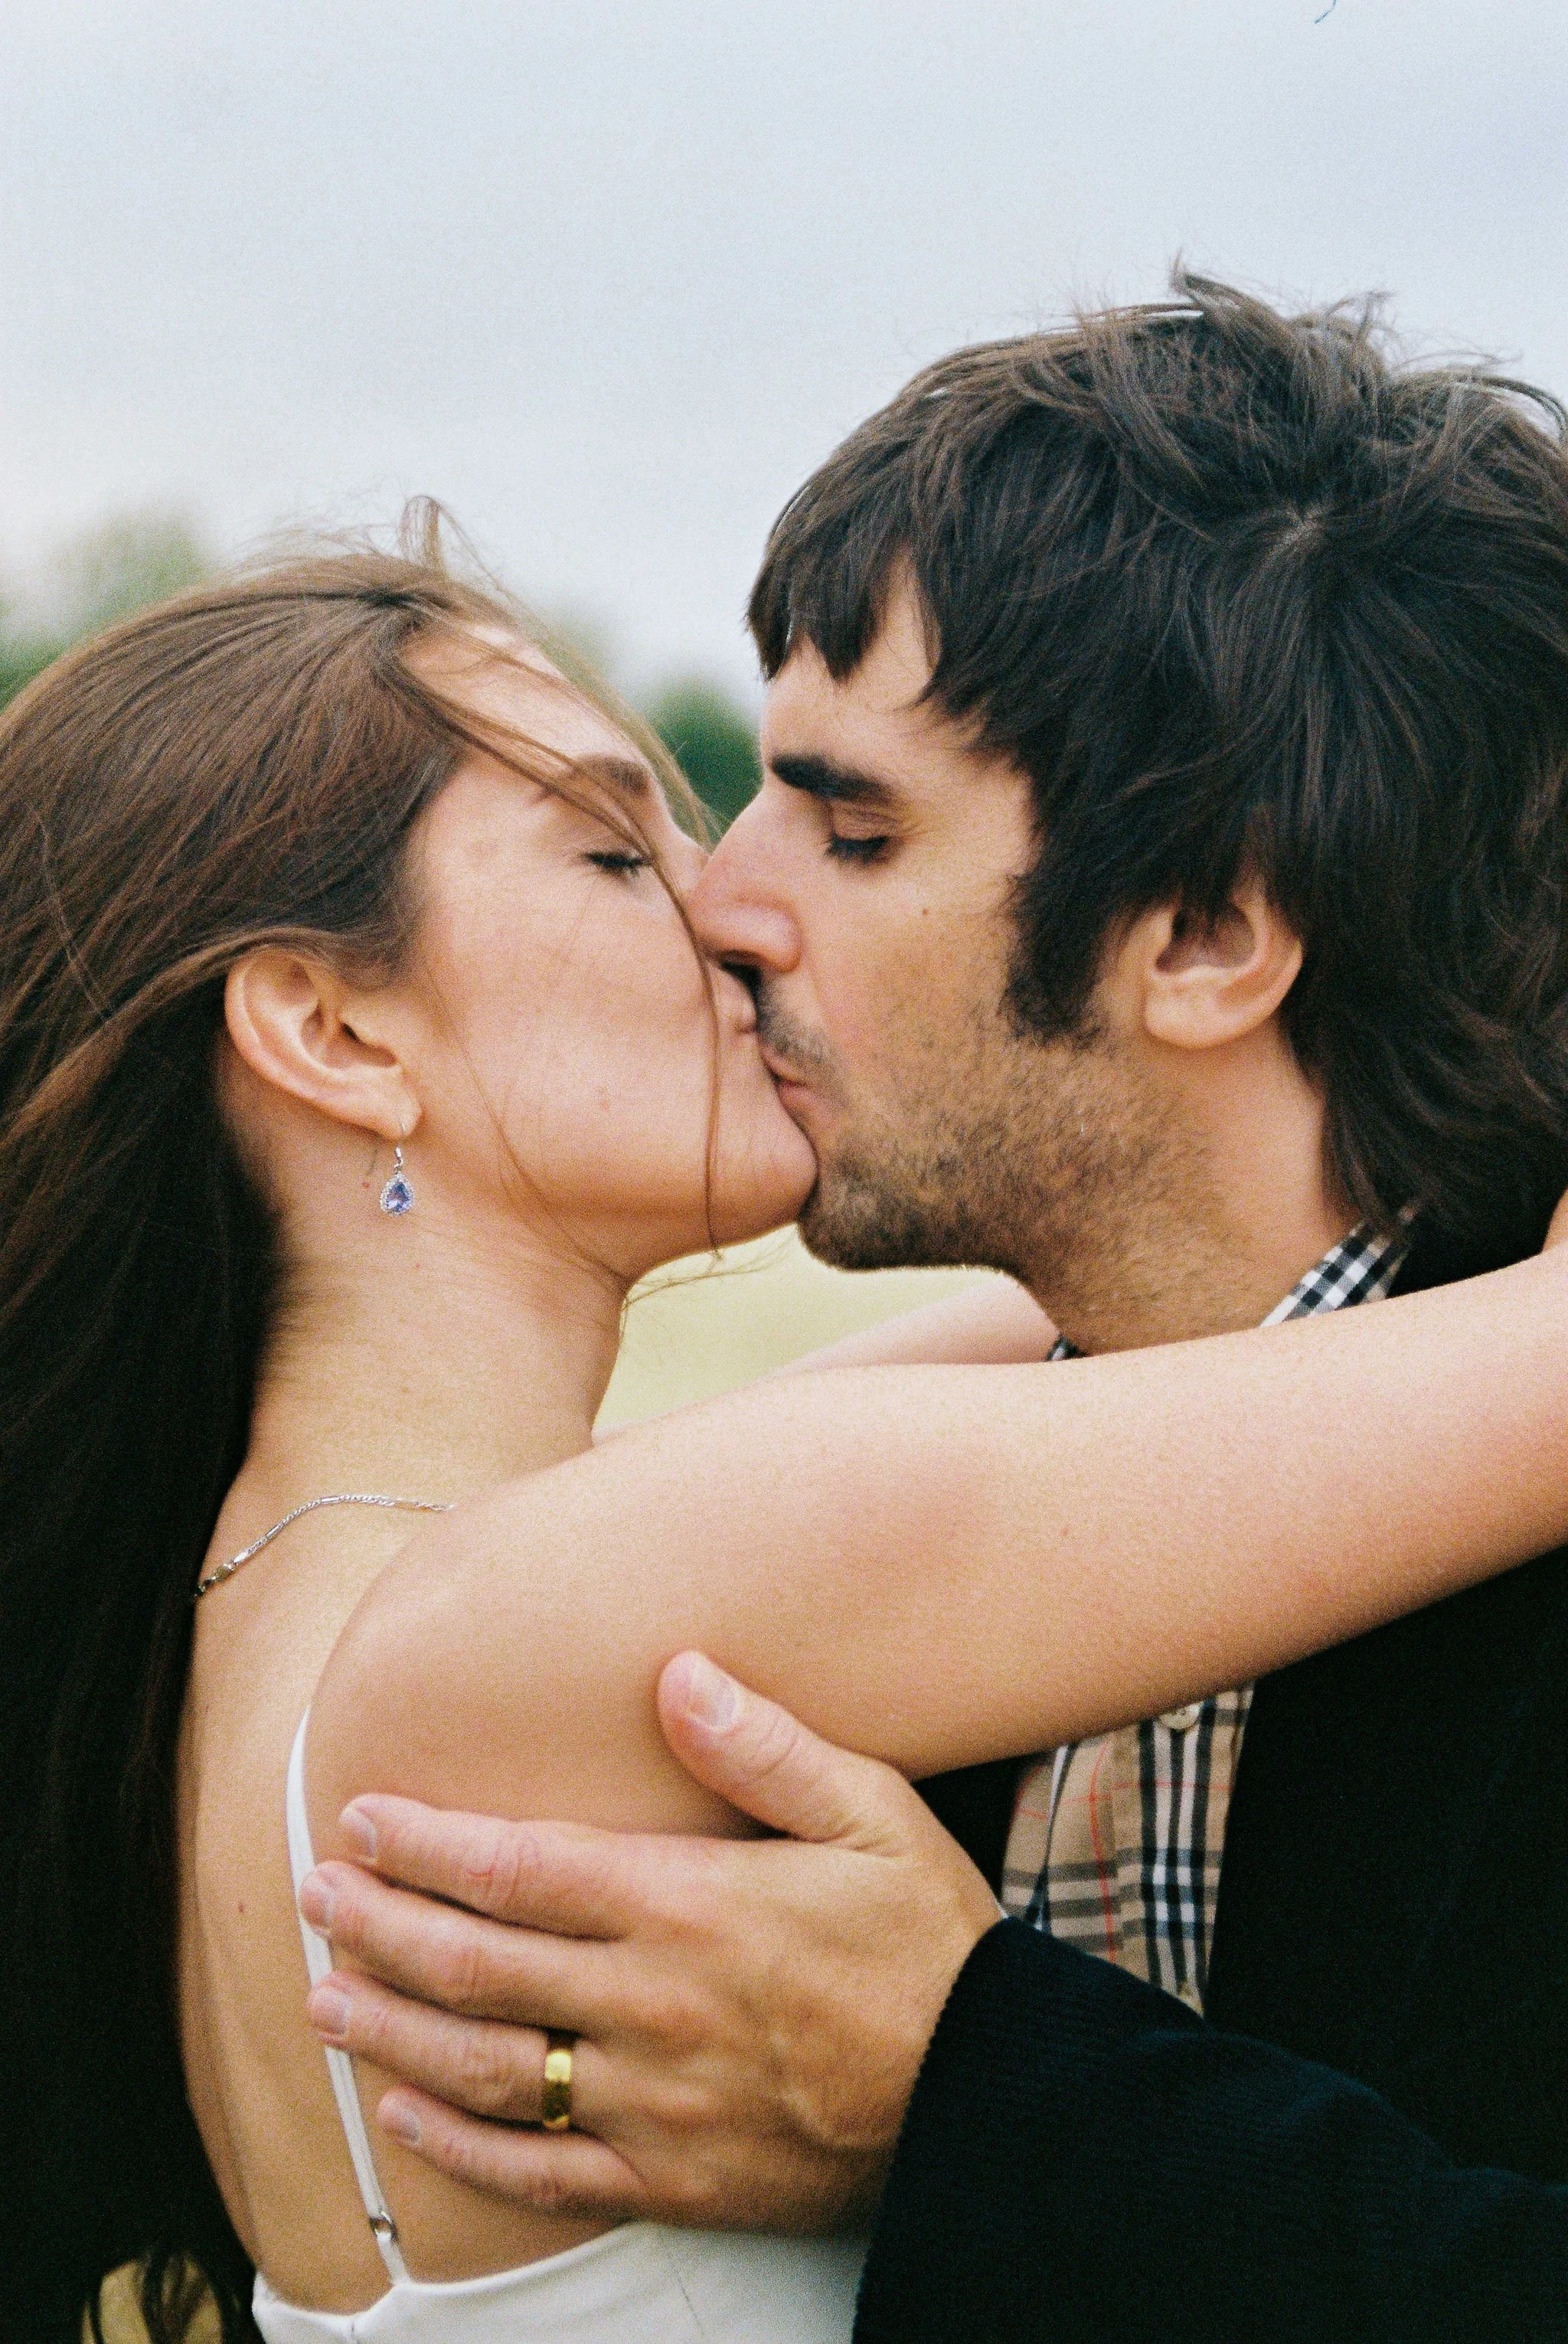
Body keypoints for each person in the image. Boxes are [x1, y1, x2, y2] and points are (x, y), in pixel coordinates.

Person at [3, 287, 1566, 2344]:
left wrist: (989, 2087)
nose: (728, 901)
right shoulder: (575, 1619)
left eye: (842, 823)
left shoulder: (395, 1585)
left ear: (1200, 931)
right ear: (324, 1023)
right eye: (608, 842)